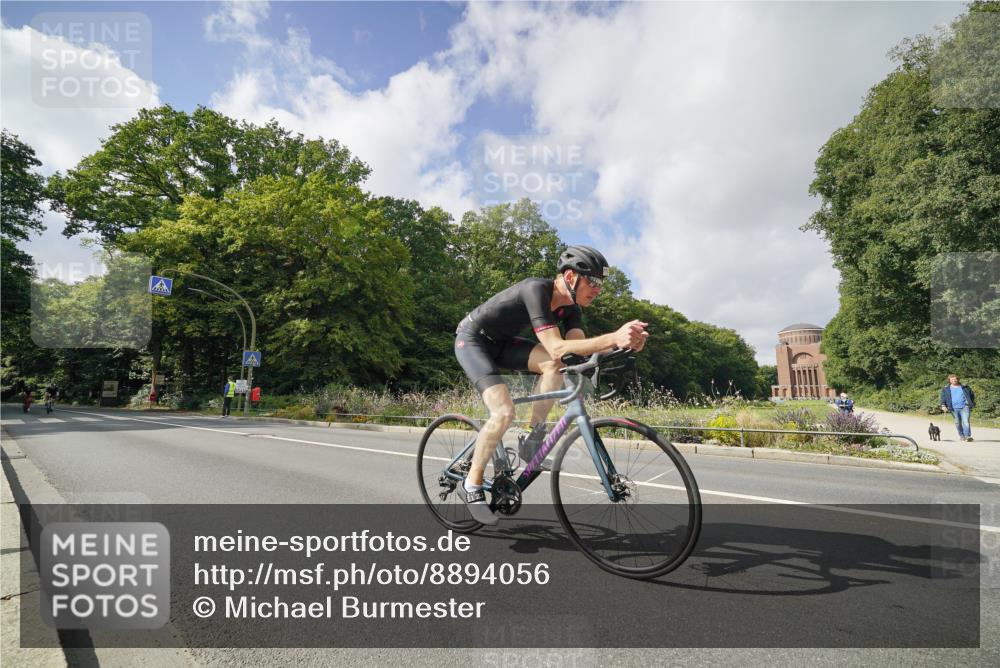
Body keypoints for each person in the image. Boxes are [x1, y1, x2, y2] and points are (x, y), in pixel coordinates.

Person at [453, 245, 648, 525]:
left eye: (600, 284)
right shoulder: (536, 290)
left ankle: (532, 438)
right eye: (592, 281)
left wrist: (625, 345)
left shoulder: (571, 310)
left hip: (505, 344)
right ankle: (471, 485)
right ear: (570, 277)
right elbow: (557, 347)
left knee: (554, 365)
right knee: (504, 412)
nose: (597, 289)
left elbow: (575, 352)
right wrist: (613, 337)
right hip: (473, 340)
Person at [940, 374, 976, 442]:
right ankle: (962, 436)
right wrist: (943, 405)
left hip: (965, 406)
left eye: (955, 379)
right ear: (950, 380)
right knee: (957, 423)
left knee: (966, 421)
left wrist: (970, 403)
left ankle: (967, 436)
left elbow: (972, 395)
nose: (954, 380)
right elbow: (943, 397)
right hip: (953, 408)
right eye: (952, 379)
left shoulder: (965, 387)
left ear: (958, 379)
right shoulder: (946, 388)